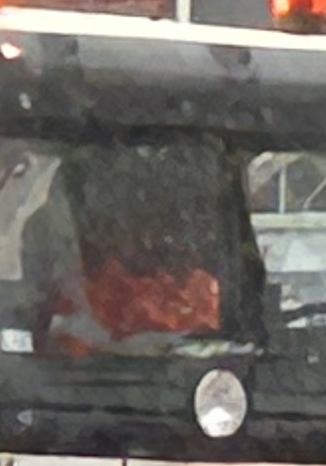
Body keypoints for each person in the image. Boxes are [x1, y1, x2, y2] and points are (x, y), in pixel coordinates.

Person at [29, 145, 227, 351]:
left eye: (165, 222)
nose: (151, 240)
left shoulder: (205, 293)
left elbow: (222, 350)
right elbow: (52, 354)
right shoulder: (76, 296)